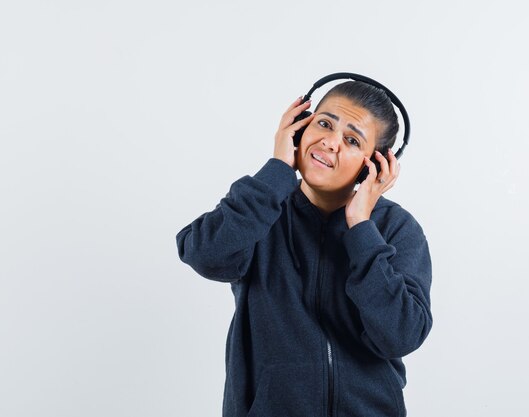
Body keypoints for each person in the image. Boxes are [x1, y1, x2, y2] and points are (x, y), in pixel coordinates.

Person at [176, 79, 433, 417]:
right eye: (324, 123)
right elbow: (204, 254)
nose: (329, 141)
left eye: (352, 139)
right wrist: (278, 172)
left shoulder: (396, 229)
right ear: (299, 127)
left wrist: (361, 228)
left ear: (374, 166)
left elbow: (401, 335)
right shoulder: (262, 208)